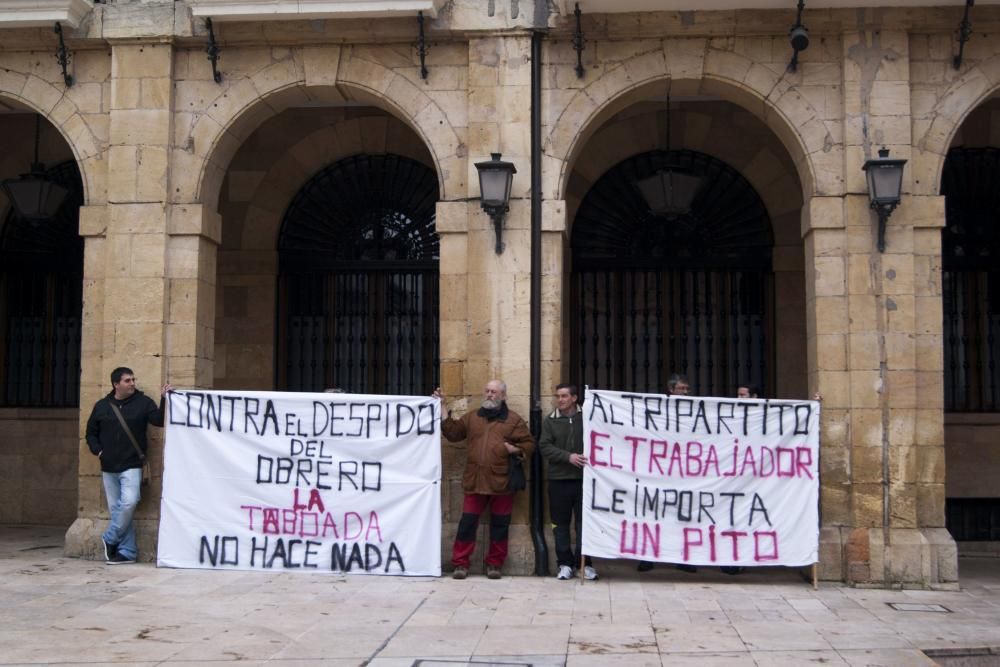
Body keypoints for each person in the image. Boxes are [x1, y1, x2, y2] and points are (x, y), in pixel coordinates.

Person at [433, 380, 534, 579]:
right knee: (467, 524)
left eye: (494, 392)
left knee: (500, 525)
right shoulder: (472, 417)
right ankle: (460, 564)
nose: (489, 394)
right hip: (475, 481)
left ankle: (495, 565)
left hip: (502, 482)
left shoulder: (513, 420)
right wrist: (443, 406)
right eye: (487, 391)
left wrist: (516, 449)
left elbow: (529, 444)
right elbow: (453, 433)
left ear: (503, 396)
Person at [85, 367, 172, 564]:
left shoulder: (143, 403)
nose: (132, 383)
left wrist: (165, 398)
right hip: (108, 466)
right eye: (127, 380)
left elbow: (158, 420)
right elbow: (91, 433)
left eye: (133, 379)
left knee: (129, 502)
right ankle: (127, 552)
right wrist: (98, 451)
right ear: (116, 384)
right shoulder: (102, 406)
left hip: (132, 464)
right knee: (119, 510)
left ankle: (110, 538)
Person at [638, 373, 698, 574]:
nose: (685, 393)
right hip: (658, 472)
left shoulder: (695, 411)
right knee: (653, 514)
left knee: (682, 516)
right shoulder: (659, 410)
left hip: (684, 474)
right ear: (671, 390)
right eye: (681, 389)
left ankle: (683, 557)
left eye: (687, 389)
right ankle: (647, 557)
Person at [539, 383, 598, 581]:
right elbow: (544, 446)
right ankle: (564, 563)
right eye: (558, 396)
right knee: (560, 524)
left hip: (584, 480)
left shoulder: (588, 417)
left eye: (564, 396)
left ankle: (585, 563)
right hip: (559, 480)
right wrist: (568, 457)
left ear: (574, 398)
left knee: (584, 524)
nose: (560, 400)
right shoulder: (550, 421)